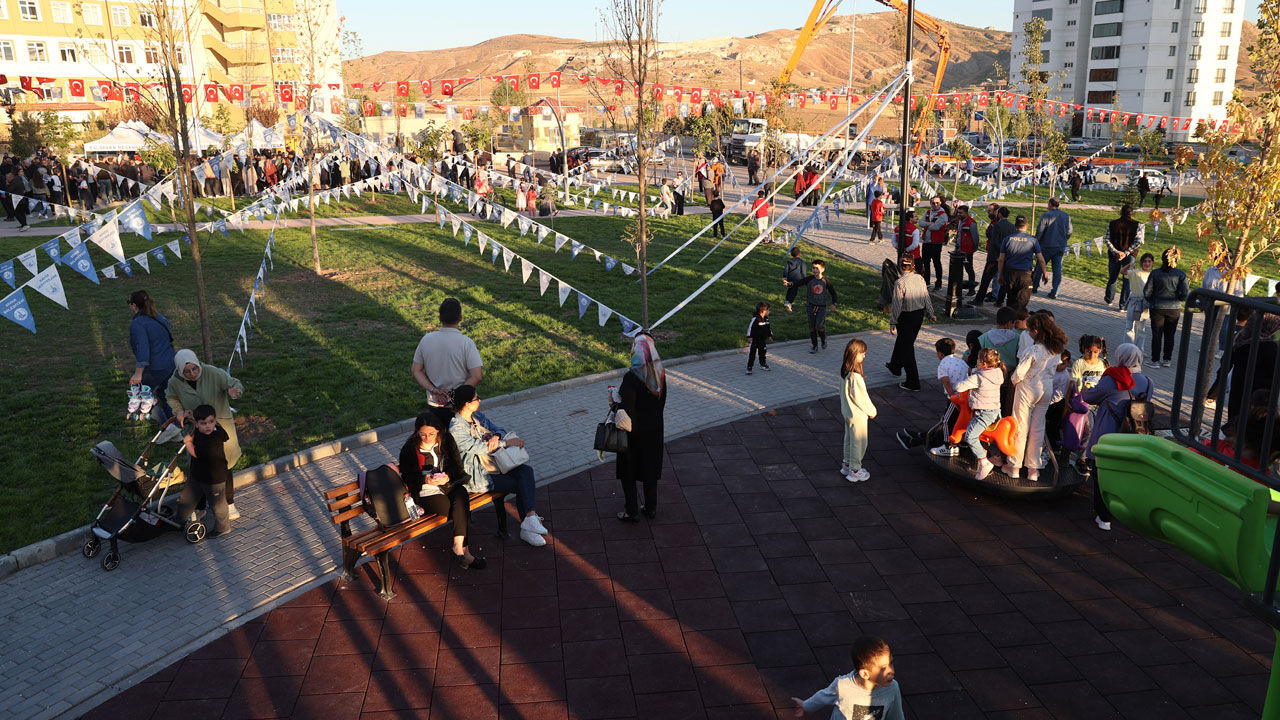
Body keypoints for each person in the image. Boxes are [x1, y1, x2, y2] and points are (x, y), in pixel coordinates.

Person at [449, 385, 547, 546]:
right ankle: (527, 528)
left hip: (496, 465)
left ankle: (529, 519)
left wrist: (497, 436)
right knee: (521, 483)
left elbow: (499, 428)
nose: (479, 400)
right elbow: (477, 447)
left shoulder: (477, 416)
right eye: (476, 398)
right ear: (467, 404)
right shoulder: (456, 429)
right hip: (480, 476)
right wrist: (506, 442)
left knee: (526, 471)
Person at [399, 412, 484, 569]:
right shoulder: (409, 448)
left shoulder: (446, 440)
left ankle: (458, 547)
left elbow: (458, 467)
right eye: (422, 434)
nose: (427, 438)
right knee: (459, 511)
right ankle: (465, 553)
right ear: (417, 432)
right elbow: (406, 477)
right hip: (426, 492)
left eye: (431, 433)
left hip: (448, 485)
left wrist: (447, 476)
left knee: (462, 495)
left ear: (438, 430)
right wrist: (424, 479)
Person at [167, 349, 245, 519]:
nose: (192, 374)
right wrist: (179, 411)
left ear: (197, 363)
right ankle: (200, 506)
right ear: (180, 371)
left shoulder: (214, 373)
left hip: (219, 427)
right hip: (195, 429)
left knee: (225, 464)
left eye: (194, 369)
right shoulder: (175, 381)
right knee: (198, 468)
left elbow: (234, 383)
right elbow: (171, 397)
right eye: (187, 371)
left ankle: (229, 502)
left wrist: (235, 392)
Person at [1083, 343, 1153, 530]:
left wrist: (1085, 387)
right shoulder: (1147, 381)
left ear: (1120, 357)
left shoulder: (1113, 379)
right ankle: (1123, 511)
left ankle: (1104, 517)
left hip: (1108, 432)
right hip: (1133, 436)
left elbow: (1090, 397)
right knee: (1124, 475)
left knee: (1101, 474)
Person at [1005, 313, 1069, 481]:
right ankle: (1033, 468)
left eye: (1029, 331)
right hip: (1046, 388)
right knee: (1038, 428)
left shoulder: (1033, 350)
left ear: (1035, 331)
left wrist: (1013, 381)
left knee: (1020, 425)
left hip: (1028, 387)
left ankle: (1014, 466)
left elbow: (1018, 374)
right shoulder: (1055, 350)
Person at [613, 334, 667, 522]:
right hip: (654, 430)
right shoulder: (660, 373)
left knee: (629, 472)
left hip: (633, 434)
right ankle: (650, 508)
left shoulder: (632, 377)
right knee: (650, 470)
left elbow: (626, 409)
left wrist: (613, 402)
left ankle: (631, 510)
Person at [791, 636, 905, 720]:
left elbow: (896, 715)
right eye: (883, 668)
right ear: (865, 674)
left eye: (891, 663)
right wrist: (806, 706)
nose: (891, 671)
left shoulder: (893, 688)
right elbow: (823, 696)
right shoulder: (843, 685)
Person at [412, 298, 483, 409]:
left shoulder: (426, 340)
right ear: (460, 318)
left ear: (439, 318)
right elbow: (477, 376)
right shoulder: (467, 343)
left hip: (435, 403)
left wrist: (434, 390)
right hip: (461, 405)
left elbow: (416, 370)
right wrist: (454, 395)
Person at [176, 405, 232, 537]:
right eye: (203, 423)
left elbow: (195, 453)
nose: (208, 426)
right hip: (197, 474)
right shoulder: (204, 430)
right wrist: (190, 417)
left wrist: (188, 443)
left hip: (214, 479)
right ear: (196, 424)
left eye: (211, 422)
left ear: (215, 421)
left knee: (217, 505)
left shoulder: (213, 438)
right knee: (186, 498)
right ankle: (179, 520)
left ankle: (223, 527)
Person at [885, 254, 936, 392]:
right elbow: (926, 296)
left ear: (900, 267)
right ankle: (895, 366)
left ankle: (913, 381)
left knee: (907, 348)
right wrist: (931, 313)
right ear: (913, 266)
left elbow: (897, 305)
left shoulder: (900, 283)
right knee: (904, 342)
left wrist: (892, 322)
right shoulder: (920, 278)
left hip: (905, 317)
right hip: (918, 316)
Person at [955, 349, 1006, 479]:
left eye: (978, 360)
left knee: (970, 436)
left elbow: (960, 387)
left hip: (984, 412)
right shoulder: (998, 372)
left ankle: (984, 462)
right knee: (990, 437)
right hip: (995, 411)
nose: (976, 361)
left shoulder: (978, 377)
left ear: (983, 363)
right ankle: (997, 458)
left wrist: (963, 379)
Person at [127, 290, 176, 423]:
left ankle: (165, 426)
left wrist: (138, 374)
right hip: (170, 363)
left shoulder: (138, 324)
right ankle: (177, 425)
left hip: (155, 368)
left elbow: (143, 350)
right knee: (166, 396)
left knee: (142, 396)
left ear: (134, 305)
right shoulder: (158, 317)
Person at [1144, 247, 1189, 368]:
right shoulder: (1181, 274)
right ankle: (1167, 359)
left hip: (1157, 307)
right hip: (1174, 309)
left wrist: (1152, 300)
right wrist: (1178, 298)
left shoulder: (1155, 273)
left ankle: (1155, 360)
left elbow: (1147, 291)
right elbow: (1185, 294)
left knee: (1157, 334)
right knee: (1170, 335)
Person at [839, 339, 877, 482]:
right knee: (859, 442)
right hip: (857, 415)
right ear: (855, 355)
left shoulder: (845, 371)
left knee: (849, 439)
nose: (864, 356)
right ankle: (855, 470)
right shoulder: (855, 377)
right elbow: (861, 398)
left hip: (848, 412)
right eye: (862, 354)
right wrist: (872, 411)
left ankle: (847, 464)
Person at [929, 338, 974, 457]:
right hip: (966, 396)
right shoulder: (961, 361)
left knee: (947, 421)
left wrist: (953, 398)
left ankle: (948, 446)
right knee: (959, 421)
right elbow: (970, 373)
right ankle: (957, 443)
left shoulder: (943, 364)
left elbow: (946, 382)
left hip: (955, 397)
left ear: (940, 354)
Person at [997, 215, 1046, 312]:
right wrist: (1045, 273)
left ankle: (1009, 322)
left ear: (1015, 225)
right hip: (1025, 275)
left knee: (1010, 300)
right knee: (1022, 302)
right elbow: (1040, 259)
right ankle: (1019, 322)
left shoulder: (1007, 239)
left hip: (1010, 274)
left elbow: (1001, 259)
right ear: (1027, 225)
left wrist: (1000, 275)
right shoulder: (1033, 240)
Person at [1033, 198, 1072, 298]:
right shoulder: (1066, 216)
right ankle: (1055, 291)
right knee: (1057, 269)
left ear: (1050, 204)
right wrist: (1064, 239)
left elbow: (1040, 231)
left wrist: (1036, 241)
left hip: (1047, 245)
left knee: (1040, 266)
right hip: (1060, 246)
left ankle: (1034, 286)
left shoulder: (1046, 215)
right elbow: (1069, 231)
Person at [796, 260, 838, 353]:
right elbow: (798, 283)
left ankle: (823, 339)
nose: (814, 270)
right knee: (812, 327)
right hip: (811, 307)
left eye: (817, 268)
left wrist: (834, 304)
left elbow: (833, 294)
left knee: (819, 326)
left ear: (822, 269)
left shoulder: (826, 281)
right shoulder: (810, 279)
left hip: (821, 307)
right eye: (813, 268)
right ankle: (814, 346)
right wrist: (790, 283)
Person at [1104, 205, 1142, 307]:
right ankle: (1123, 304)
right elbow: (1138, 241)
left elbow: (1107, 239)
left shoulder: (1112, 224)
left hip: (1114, 256)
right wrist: (1126, 252)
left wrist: (1116, 252)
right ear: (1132, 213)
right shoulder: (1136, 225)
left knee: (1113, 277)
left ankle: (1109, 299)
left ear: (1121, 212)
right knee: (1127, 280)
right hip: (1130, 256)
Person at [976, 205, 1014, 306]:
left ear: (1000, 214)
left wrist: (1000, 252)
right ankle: (999, 301)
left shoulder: (997, 225)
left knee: (986, 279)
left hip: (995, 256)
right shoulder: (1011, 226)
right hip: (1006, 257)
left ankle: (979, 299)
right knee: (1003, 280)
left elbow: (995, 241)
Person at [1125, 253, 1155, 353]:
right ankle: (1128, 348)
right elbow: (1122, 272)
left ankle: (1139, 350)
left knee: (1141, 328)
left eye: (1149, 261)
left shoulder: (1154, 275)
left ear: (1152, 263)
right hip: (1134, 302)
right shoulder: (1136, 272)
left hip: (1145, 304)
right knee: (1130, 326)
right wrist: (1130, 265)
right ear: (1141, 263)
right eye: (1145, 261)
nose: (1147, 263)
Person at [920, 196, 950, 289]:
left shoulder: (943, 214)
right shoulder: (928, 212)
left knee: (936, 263)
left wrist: (926, 225)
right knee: (925, 262)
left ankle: (938, 283)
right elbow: (920, 222)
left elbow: (936, 227)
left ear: (940, 203)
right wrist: (929, 224)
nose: (935, 204)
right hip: (926, 241)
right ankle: (927, 281)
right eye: (933, 203)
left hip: (936, 242)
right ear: (930, 203)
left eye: (937, 203)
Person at [952, 205, 980, 288]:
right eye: (958, 212)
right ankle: (958, 286)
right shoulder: (960, 221)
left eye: (961, 213)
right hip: (959, 249)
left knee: (969, 269)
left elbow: (975, 237)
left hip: (967, 251)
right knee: (958, 269)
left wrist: (974, 248)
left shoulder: (971, 223)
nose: (959, 214)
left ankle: (972, 288)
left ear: (966, 213)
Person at [746, 301, 772, 375]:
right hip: (754, 340)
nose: (769, 312)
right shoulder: (755, 319)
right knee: (752, 354)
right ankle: (749, 367)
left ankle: (763, 364)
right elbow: (750, 328)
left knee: (762, 352)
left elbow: (768, 328)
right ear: (763, 311)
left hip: (762, 340)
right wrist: (749, 336)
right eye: (768, 310)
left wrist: (769, 335)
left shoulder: (766, 319)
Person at [782, 247, 806, 312]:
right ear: (799, 254)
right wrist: (805, 279)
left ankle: (787, 301)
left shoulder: (789, 261)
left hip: (790, 278)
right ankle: (789, 303)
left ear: (791, 254)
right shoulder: (802, 262)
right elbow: (803, 272)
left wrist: (785, 278)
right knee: (794, 292)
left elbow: (786, 270)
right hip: (797, 279)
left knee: (790, 289)